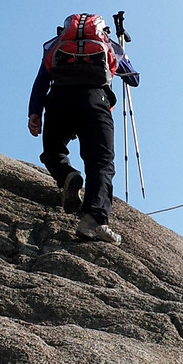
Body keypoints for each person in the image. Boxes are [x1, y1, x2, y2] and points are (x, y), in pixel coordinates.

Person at [28, 13, 139, 245]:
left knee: (53, 150)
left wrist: (34, 113)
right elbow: (133, 79)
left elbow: (41, 81)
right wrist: (123, 51)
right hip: (95, 101)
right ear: (101, 30)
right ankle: (94, 219)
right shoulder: (108, 45)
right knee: (100, 163)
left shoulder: (55, 45)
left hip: (58, 100)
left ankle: (67, 175)